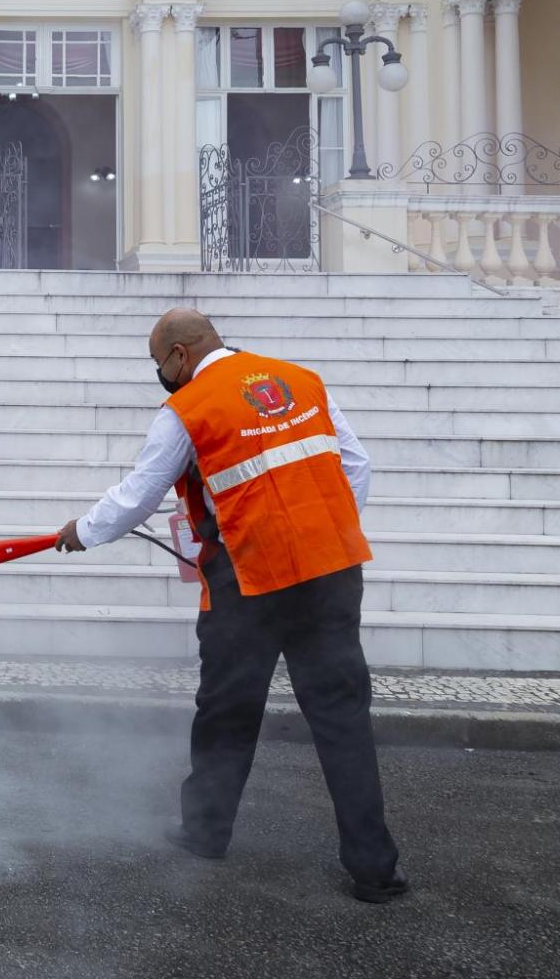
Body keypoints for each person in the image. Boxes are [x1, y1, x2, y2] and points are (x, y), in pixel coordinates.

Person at [54, 307, 405, 902]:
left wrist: (82, 531)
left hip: (249, 581)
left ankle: (206, 831)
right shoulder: (301, 379)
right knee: (342, 717)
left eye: (158, 363)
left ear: (179, 355)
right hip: (332, 572)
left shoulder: (187, 409)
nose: (161, 374)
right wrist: (321, 535)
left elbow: (140, 494)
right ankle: (375, 870)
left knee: (227, 711)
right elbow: (357, 465)